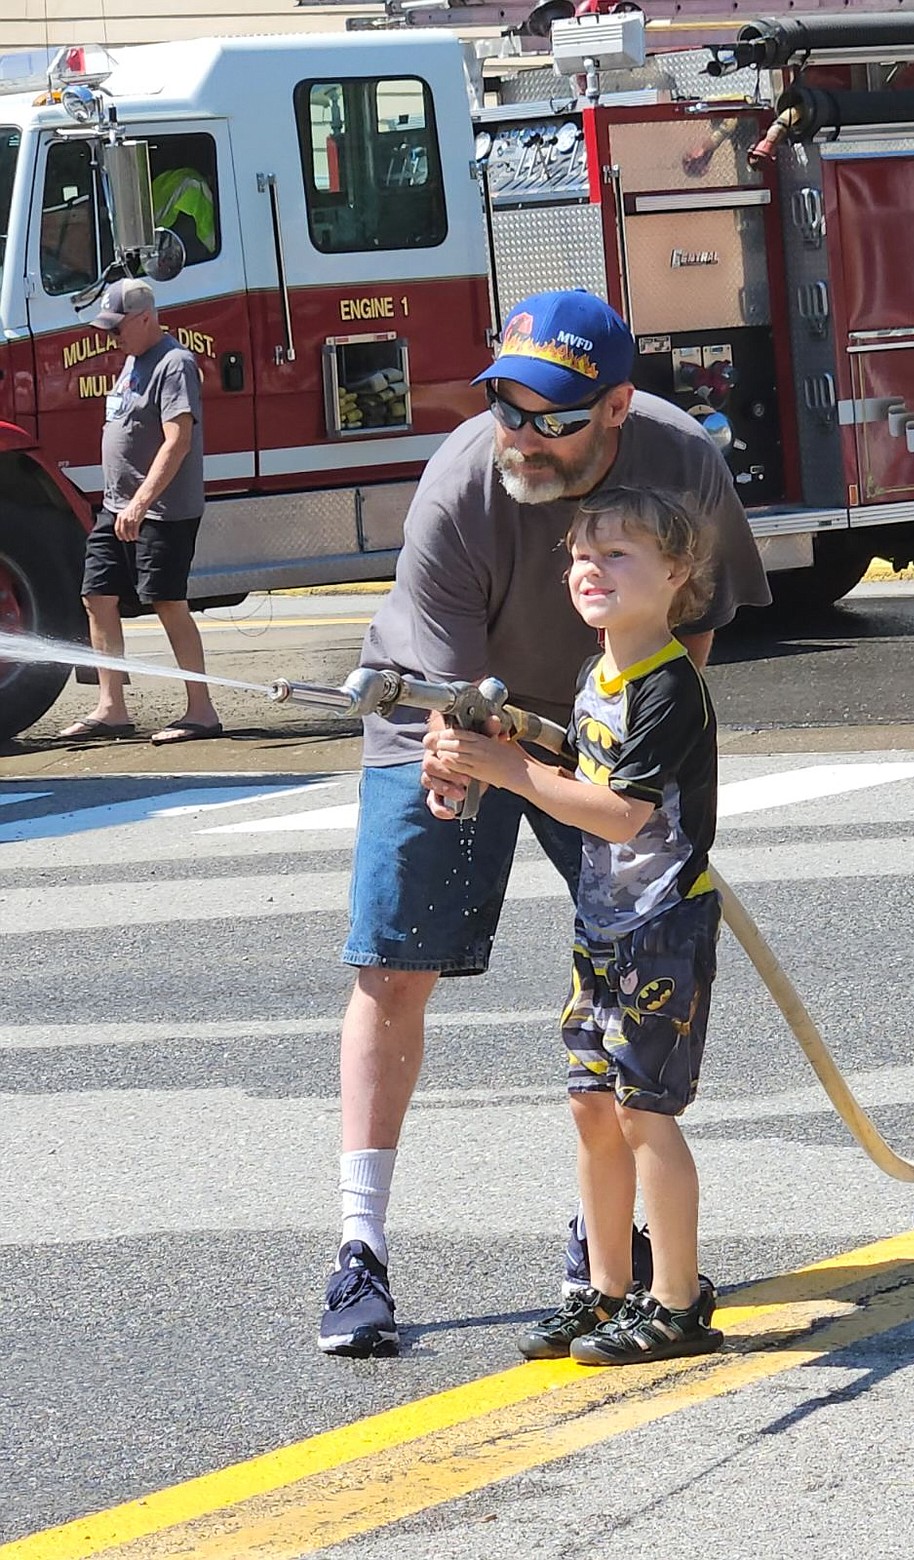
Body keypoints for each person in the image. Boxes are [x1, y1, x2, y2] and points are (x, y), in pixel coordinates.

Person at [317, 287, 769, 1359]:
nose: (519, 433)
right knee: (392, 967)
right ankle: (359, 1250)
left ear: (616, 406)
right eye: (507, 406)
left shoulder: (680, 467)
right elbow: (442, 693)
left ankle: (616, 1250)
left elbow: (691, 636)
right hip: (458, 718)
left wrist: (638, 756)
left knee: (633, 981)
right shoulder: (461, 483)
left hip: (596, 732)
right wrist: (459, 768)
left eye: (552, 414)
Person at [436, 486, 724, 1365]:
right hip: (601, 923)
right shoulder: (601, 678)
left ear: (676, 575)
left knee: (646, 1113)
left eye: (618, 556)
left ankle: (677, 1304)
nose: (590, 571)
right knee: (593, 1106)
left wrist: (510, 769)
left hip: (661, 923)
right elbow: (577, 757)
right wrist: (490, 749)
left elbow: (622, 814)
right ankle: (605, 1292)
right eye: (580, 558)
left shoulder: (669, 685)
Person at [58, 277, 221, 746]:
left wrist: (141, 503)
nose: (112, 337)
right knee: (97, 596)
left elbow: (178, 440)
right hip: (117, 506)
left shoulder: (175, 364)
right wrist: (122, 504)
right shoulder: (132, 361)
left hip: (162, 509)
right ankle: (111, 708)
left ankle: (202, 711)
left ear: (146, 318)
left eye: (117, 327)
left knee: (168, 601)